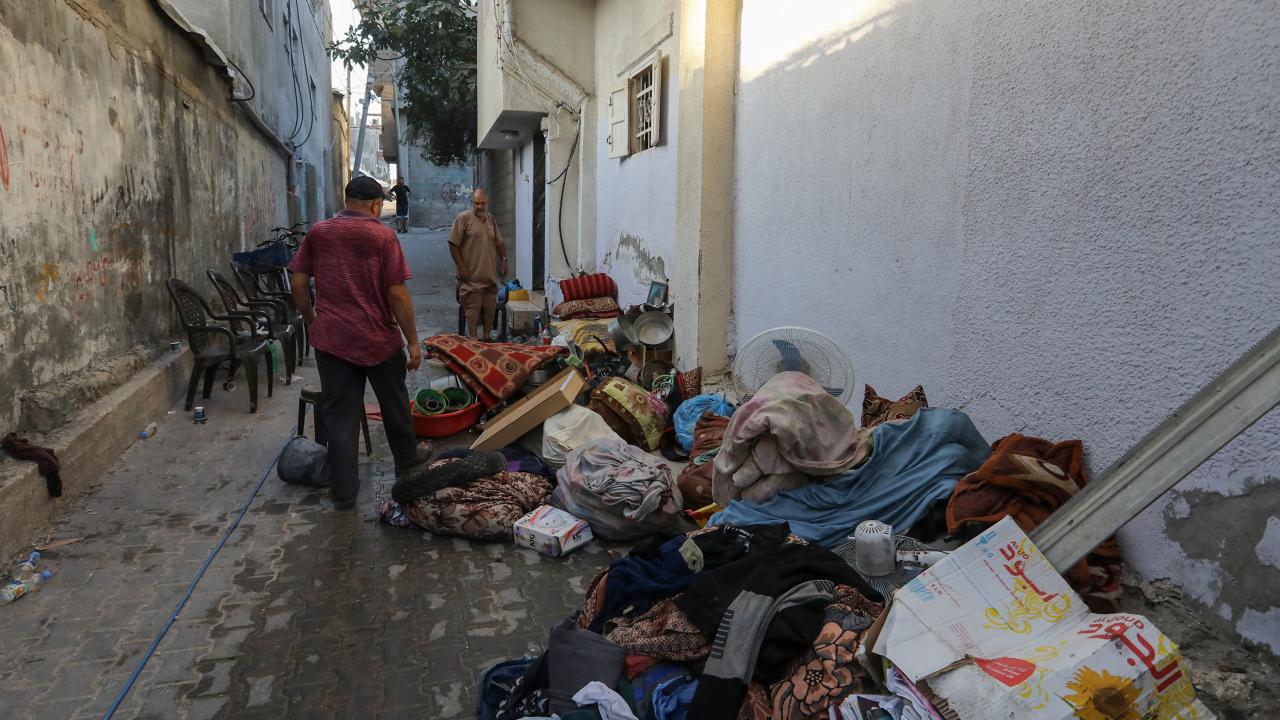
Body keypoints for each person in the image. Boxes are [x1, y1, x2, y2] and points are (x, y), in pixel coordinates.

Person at [288, 175, 430, 509]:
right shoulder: (383, 236)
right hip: (378, 340)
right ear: (376, 205)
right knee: (395, 405)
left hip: (333, 341)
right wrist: (412, 342)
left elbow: (298, 284)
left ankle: (344, 493)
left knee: (340, 418)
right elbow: (397, 293)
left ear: (347, 200)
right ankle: (407, 462)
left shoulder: (318, 232)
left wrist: (311, 320)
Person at [448, 188, 508, 339]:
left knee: (490, 308)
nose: (480, 206)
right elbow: (453, 244)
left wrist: (504, 259)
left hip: (489, 275)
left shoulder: (490, 219)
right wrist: (461, 268)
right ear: (471, 203)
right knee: (472, 309)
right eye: (476, 203)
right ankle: (473, 340)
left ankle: (487, 338)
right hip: (471, 276)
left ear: (487, 203)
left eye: (482, 203)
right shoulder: (463, 218)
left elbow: (500, 242)